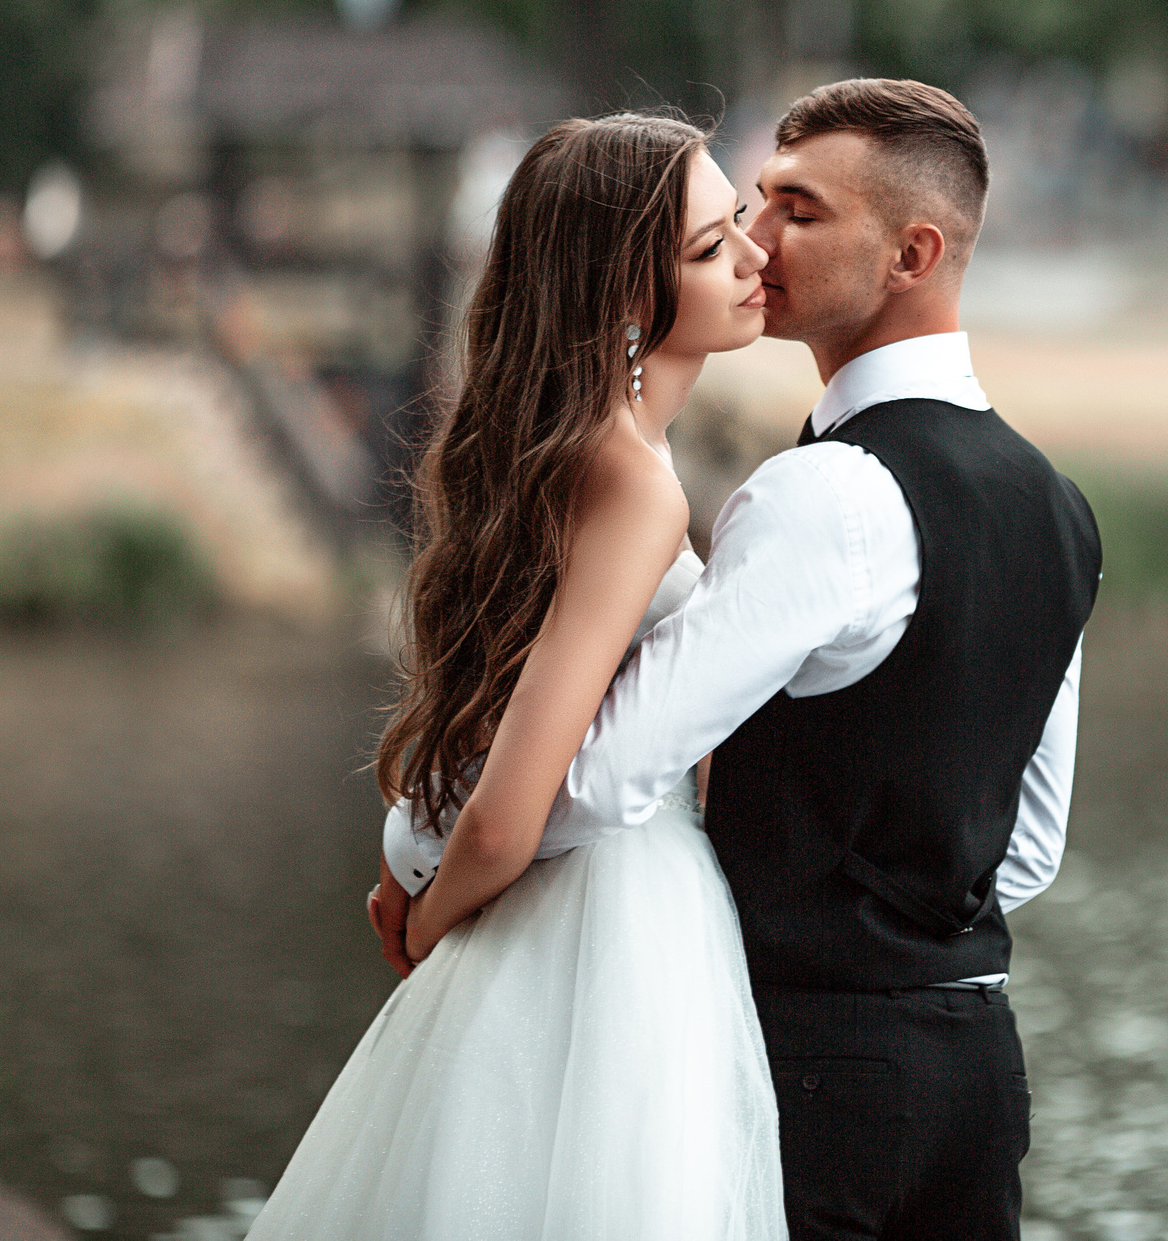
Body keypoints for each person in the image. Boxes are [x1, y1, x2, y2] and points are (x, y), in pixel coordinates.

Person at [376, 78, 1101, 1240]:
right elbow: (1026, 850)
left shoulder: (823, 491)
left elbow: (605, 777)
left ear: (913, 250)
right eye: (751, 206)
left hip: (815, 1066)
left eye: (798, 211)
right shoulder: (1061, 509)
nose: (759, 240)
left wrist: (424, 876)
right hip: (977, 1071)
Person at [252, 112, 785, 1237]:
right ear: (623, 297)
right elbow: (510, 811)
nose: (753, 257)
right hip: (606, 923)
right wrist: (431, 926)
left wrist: (420, 892)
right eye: (708, 247)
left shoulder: (578, 452)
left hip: (566, 909)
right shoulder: (635, 484)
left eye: (737, 221)